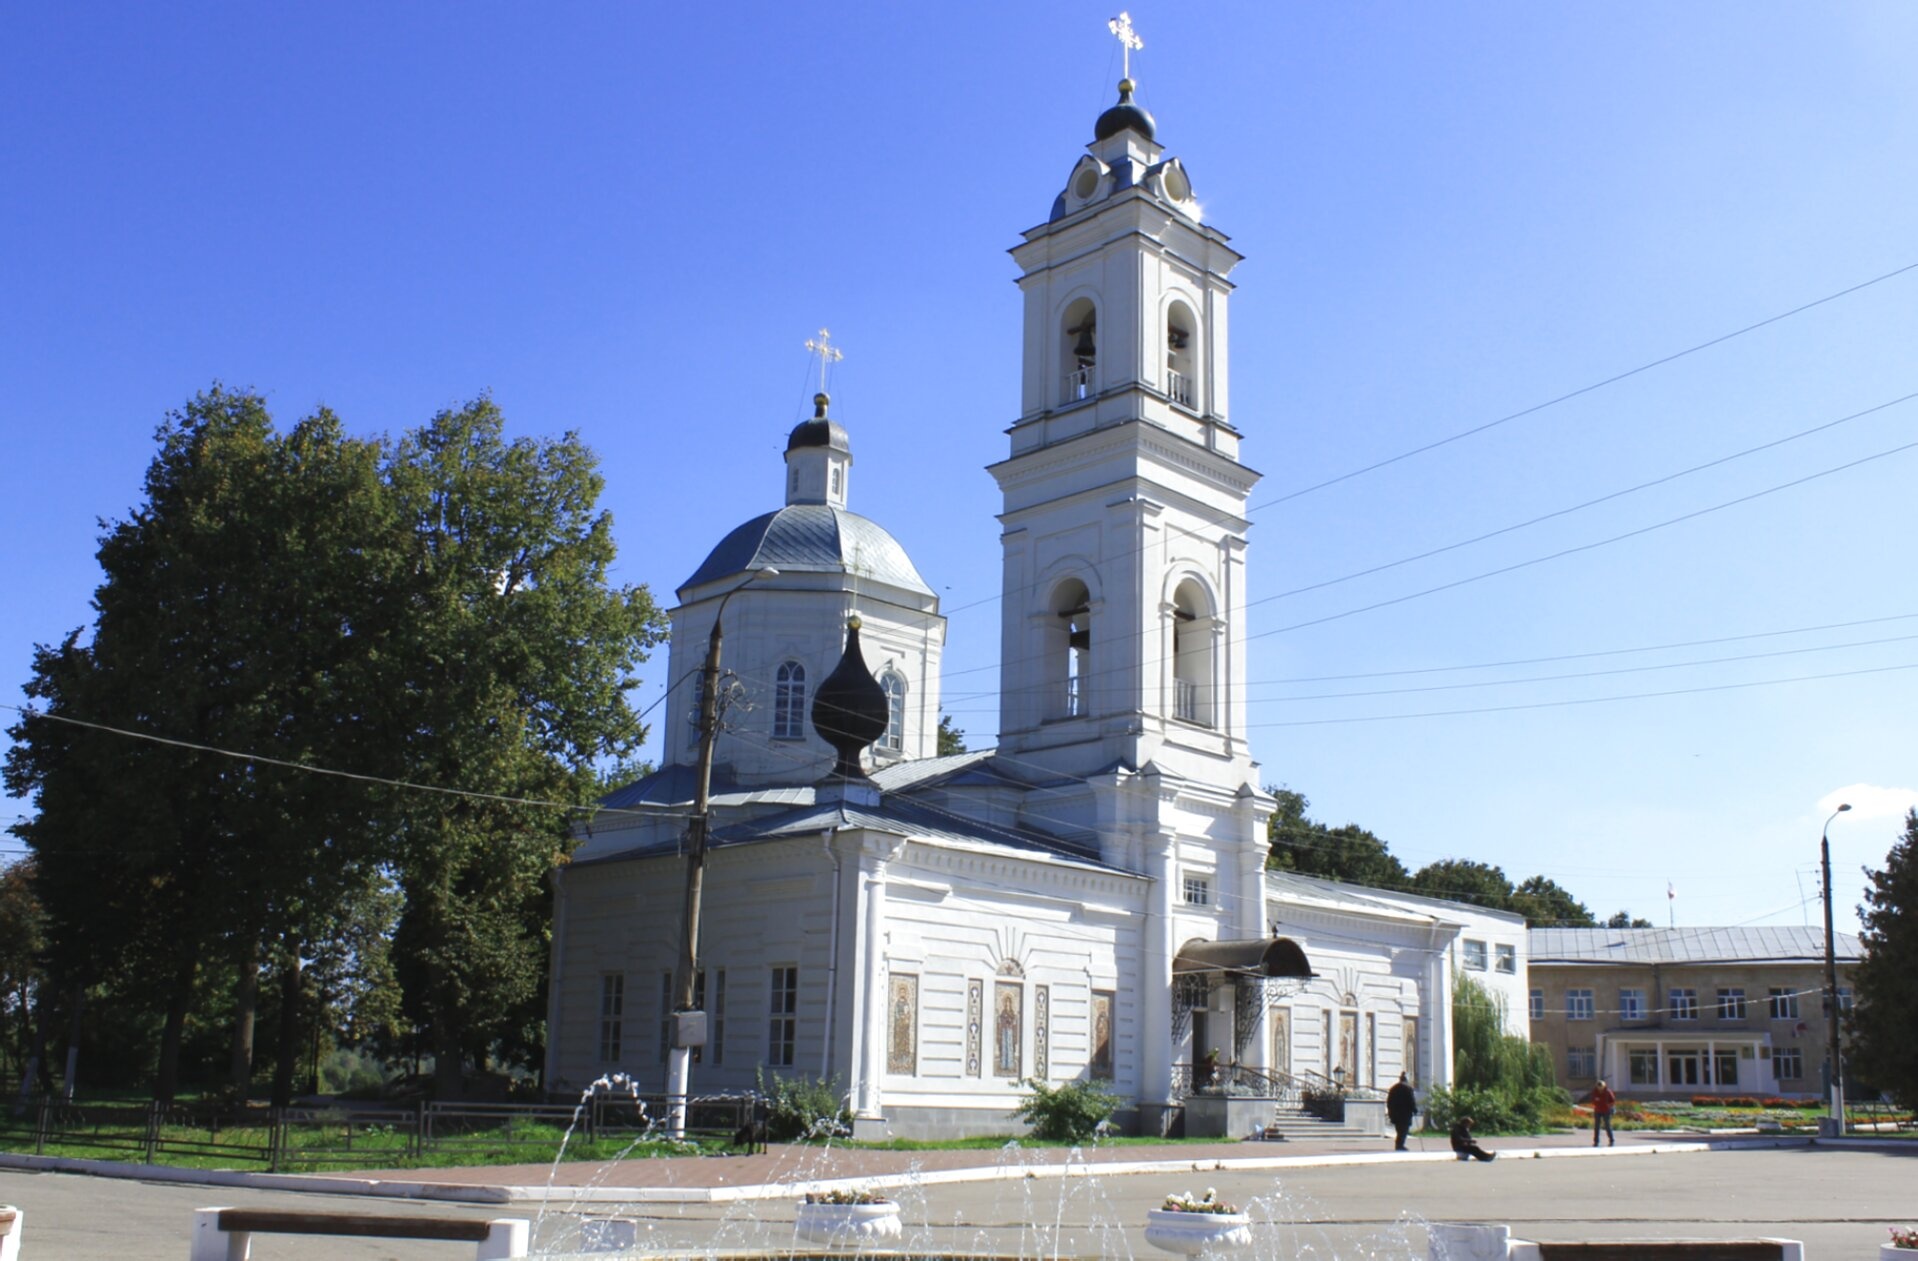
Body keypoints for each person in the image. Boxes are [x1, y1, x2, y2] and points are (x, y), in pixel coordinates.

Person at [1386, 1072, 1417, 1151]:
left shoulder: (1393, 1088)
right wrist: (1414, 1109)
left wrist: (1390, 1111)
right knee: (1404, 1130)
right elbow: (1411, 1100)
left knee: (1399, 1129)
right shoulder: (1408, 1088)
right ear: (1406, 1080)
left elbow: (1389, 1101)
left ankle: (1399, 1144)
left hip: (1395, 1113)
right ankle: (1400, 1145)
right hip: (1405, 1114)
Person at [1591, 1079, 1616, 1147]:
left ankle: (1611, 1140)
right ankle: (1596, 1142)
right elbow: (1593, 1100)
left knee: (1607, 1126)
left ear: (1604, 1086)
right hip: (1598, 1111)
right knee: (1597, 1127)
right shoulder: (1595, 1092)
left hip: (1606, 1111)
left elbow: (1613, 1101)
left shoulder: (1608, 1092)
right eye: (1599, 1088)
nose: (1600, 1090)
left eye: (1601, 1088)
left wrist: (1609, 1106)